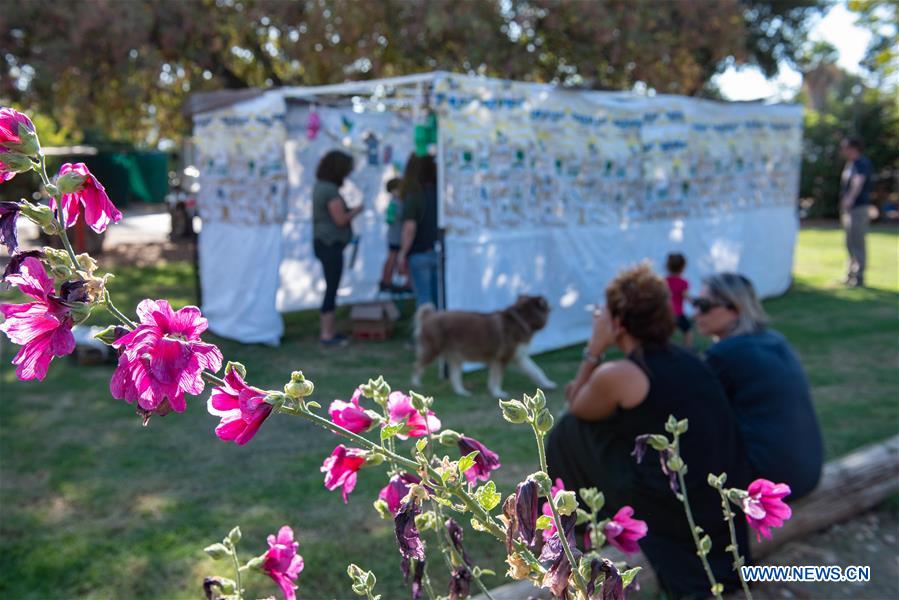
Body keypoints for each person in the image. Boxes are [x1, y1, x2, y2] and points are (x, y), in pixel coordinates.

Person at [548, 264, 751, 598]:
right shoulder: (687, 358)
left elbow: (577, 404)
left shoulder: (620, 374)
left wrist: (594, 349)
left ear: (618, 321)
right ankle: (582, 527)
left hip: (673, 509)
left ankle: (575, 531)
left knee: (568, 431)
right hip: (715, 498)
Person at [694, 273, 823, 499]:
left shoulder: (724, 354)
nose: (695, 313)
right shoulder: (775, 339)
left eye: (704, 305)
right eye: (695, 303)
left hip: (768, 482)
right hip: (808, 472)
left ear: (734, 308)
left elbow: (697, 416)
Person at [312, 150, 364, 345]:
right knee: (332, 287)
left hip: (325, 242)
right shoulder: (329, 190)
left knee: (331, 286)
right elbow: (340, 219)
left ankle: (329, 331)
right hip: (329, 243)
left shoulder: (322, 187)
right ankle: (326, 334)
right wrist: (356, 211)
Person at [397, 154, 439, 307]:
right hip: (438, 253)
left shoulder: (414, 195)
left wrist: (402, 253)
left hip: (419, 254)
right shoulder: (439, 192)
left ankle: (427, 331)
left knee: (424, 304)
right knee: (439, 302)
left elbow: (409, 228)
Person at [839, 138, 874, 287]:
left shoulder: (861, 163)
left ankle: (859, 277)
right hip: (850, 210)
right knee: (849, 242)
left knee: (857, 242)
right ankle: (850, 274)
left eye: (844, 147)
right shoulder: (851, 163)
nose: (842, 150)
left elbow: (858, 181)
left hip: (858, 209)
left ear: (853, 148)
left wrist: (850, 198)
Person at [379, 177, 408, 292]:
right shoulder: (396, 202)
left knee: (392, 257)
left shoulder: (394, 202)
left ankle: (387, 280)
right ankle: (387, 281)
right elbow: (393, 219)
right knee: (393, 257)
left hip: (394, 235)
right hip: (397, 236)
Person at [665, 252, 692, 347]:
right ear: (683, 267)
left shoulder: (664, 281)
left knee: (666, 334)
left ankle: (664, 350)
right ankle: (688, 349)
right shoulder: (683, 282)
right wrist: (694, 302)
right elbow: (685, 295)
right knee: (687, 331)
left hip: (666, 313)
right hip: (678, 313)